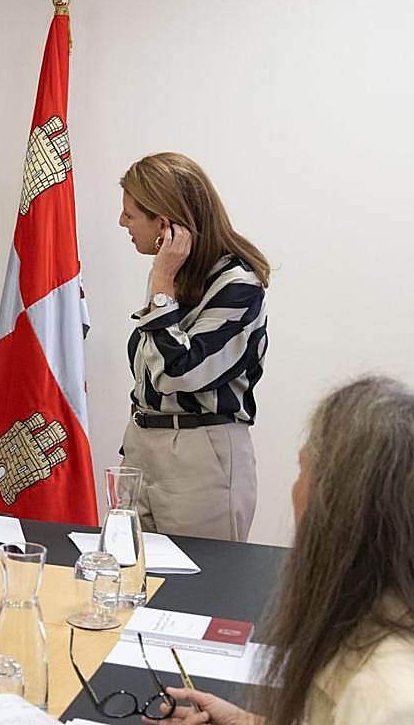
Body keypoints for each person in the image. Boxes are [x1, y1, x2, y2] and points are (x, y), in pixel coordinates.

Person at [150, 376, 414, 724]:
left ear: (337, 502)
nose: (293, 489)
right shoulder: (371, 616)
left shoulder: (392, 700)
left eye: (302, 470)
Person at [119, 152, 269, 541]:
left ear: (164, 223)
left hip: (200, 455)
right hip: (144, 446)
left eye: (131, 214)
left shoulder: (239, 284)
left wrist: (162, 287)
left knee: (200, 592)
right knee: (133, 582)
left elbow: (178, 373)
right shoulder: (171, 277)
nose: (122, 223)